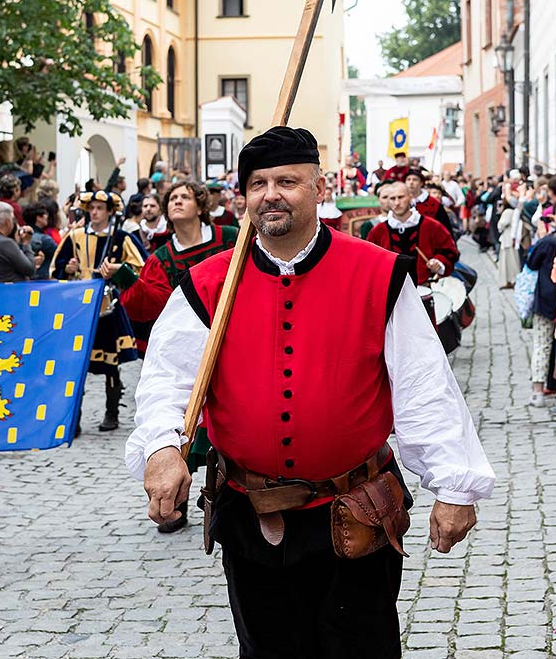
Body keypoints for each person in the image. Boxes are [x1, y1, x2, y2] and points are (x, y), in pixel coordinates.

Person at [126, 126, 494, 659]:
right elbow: (165, 378)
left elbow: (424, 384)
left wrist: (454, 484)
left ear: (319, 189)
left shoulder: (377, 274)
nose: (270, 194)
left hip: (357, 509)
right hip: (251, 513)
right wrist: (162, 448)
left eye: (286, 181)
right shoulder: (209, 284)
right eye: (257, 183)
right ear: (242, 196)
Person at [118, 179, 238, 532]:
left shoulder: (229, 238)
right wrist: (126, 277)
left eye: (185, 197)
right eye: (172, 198)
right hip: (190, 348)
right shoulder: (161, 258)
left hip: (235, 341)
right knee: (180, 423)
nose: (177, 202)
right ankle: (175, 502)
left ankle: (232, 496)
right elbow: (151, 305)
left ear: (200, 205)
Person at [51, 190, 146, 432]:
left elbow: (142, 268)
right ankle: (75, 418)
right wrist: (67, 267)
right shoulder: (75, 236)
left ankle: (111, 413)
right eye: (91, 208)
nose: (94, 213)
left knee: (111, 363)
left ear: (109, 212)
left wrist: (118, 270)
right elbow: (55, 267)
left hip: (108, 307)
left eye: (99, 208)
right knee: (77, 363)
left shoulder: (121, 238)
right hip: (80, 307)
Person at [368, 181, 458, 285]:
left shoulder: (432, 226)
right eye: (392, 199)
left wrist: (439, 262)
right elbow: (369, 260)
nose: (397, 203)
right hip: (391, 291)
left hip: (425, 288)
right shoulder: (378, 232)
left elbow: (450, 251)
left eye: (401, 197)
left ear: (410, 198)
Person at [0, 202, 43, 282]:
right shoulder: (6, 243)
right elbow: (30, 270)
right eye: (13, 219)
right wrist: (26, 243)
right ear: (7, 222)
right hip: (10, 291)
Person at [405, 168, 454, 237]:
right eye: (408, 179)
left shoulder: (434, 203)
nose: (411, 182)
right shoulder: (401, 202)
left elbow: (445, 228)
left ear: (421, 183)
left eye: (415, 179)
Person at [22, 203, 57, 279]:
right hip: (43, 279)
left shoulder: (20, 236)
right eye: (45, 214)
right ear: (38, 217)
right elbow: (60, 254)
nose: (47, 217)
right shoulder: (45, 240)